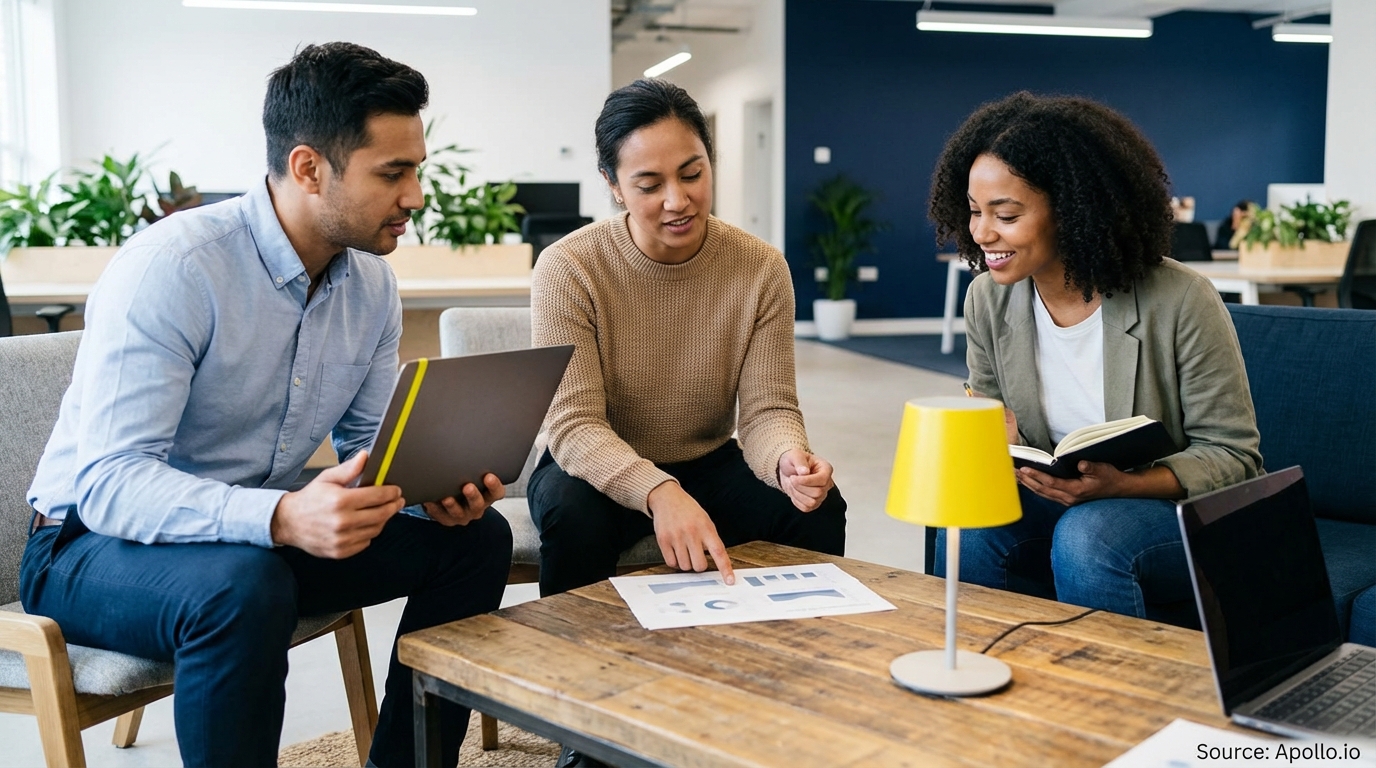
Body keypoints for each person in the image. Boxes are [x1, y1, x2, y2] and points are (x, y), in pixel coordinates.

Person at [20, 43, 513, 768]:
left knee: (477, 543)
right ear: (309, 168)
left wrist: (433, 489)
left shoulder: (370, 285)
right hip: (85, 546)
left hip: (248, 539)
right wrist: (280, 517)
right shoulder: (175, 270)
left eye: (418, 170)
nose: (415, 196)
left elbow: (371, 451)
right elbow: (109, 482)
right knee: (241, 585)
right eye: (392, 173)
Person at [927, 92, 1263, 626]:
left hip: (1171, 511)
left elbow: (1234, 456)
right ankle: (976, 673)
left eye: (1006, 214)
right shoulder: (988, 300)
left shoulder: (1180, 299)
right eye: (973, 211)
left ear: (1073, 209)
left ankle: (1111, 703)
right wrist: (994, 441)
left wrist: (1123, 484)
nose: (982, 233)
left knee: (1091, 535)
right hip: (1055, 499)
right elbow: (988, 411)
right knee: (970, 521)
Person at [529, 79, 847, 599]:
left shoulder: (760, 268)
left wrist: (788, 459)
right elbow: (573, 425)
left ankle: (790, 660)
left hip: (706, 459)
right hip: (593, 467)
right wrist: (658, 491)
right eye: (649, 185)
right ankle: (575, 668)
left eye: (692, 174)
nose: (678, 201)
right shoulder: (570, 267)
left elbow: (768, 410)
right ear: (613, 184)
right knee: (573, 515)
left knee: (816, 508)